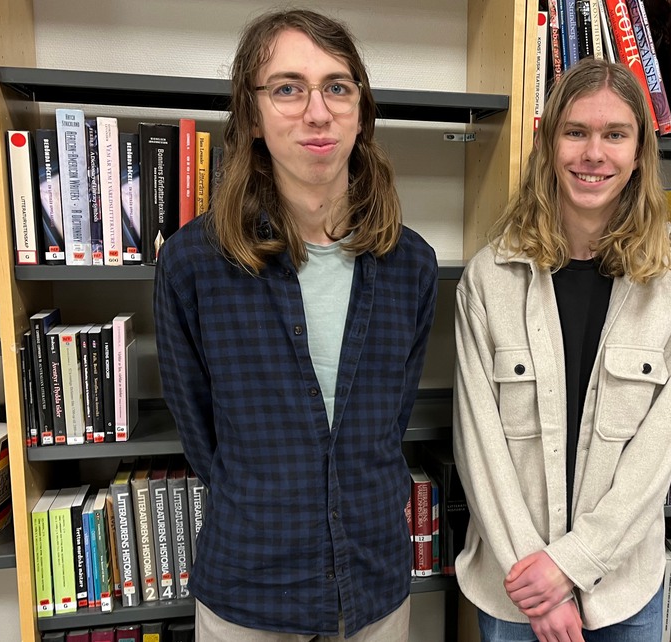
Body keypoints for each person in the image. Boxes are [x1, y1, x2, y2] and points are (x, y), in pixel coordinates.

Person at [153, 9, 437, 641]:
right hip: (249, 585)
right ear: (253, 116)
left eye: (337, 87)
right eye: (288, 88)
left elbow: (390, 421)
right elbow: (199, 430)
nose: (317, 112)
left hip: (374, 586)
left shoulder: (411, 266)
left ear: (361, 111)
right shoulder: (194, 264)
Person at [453, 58, 671, 642]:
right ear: (548, 144)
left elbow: (657, 453)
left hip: (621, 589)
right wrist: (540, 587)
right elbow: (478, 447)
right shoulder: (489, 280)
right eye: (576, 132)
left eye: (615, 135)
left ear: (638, 153)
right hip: (516, 588)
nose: (594, 154)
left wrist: (572, 564)